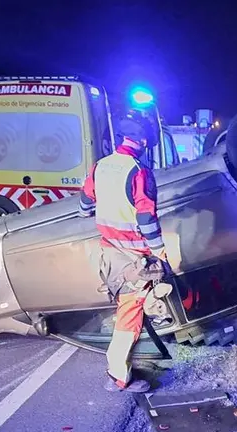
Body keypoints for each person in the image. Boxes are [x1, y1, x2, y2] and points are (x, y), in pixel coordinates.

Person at [78, 115, 167, 393]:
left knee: (129, 308)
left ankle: (125, 363)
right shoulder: (139, 171)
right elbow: (145, 216)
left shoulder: (100, 166)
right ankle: (117, 376)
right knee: (130, 314)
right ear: (142, 142)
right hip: (133, 257)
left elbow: (84, 204)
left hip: (107, 251)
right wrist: (158, 251)